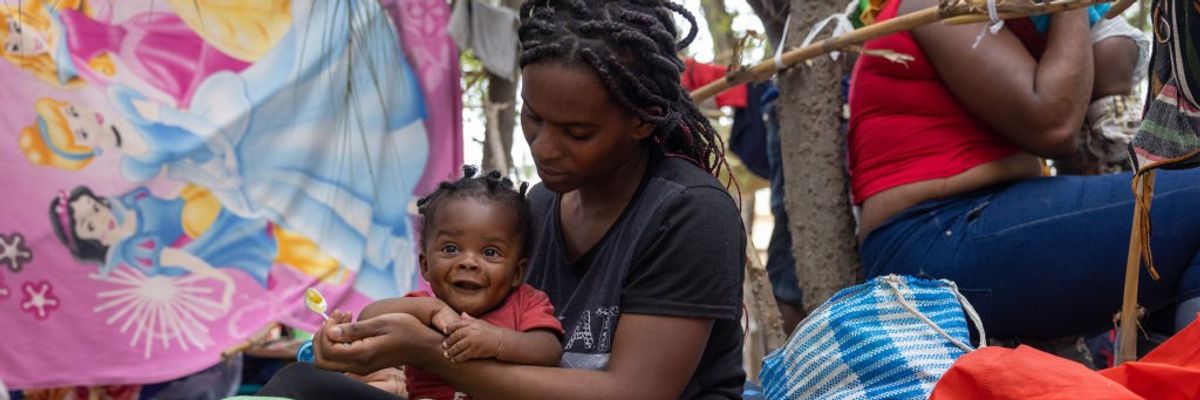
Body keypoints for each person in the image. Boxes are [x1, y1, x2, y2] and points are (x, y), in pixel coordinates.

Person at [257, 0, 747, 398]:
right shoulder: (535, 210)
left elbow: (635, 392)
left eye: (577, 132)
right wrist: (383, 359)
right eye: (533, 117)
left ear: (643, 120)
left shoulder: (687, 213)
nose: (544, 147)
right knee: (307, 384)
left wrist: (433, 356)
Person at [849, 0, 1200, 341]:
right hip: (932, 237)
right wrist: (1071, 4)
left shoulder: (1007, 25)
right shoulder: (930, 6)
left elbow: (1075, 152)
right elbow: (1054, 126)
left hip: (969, 226)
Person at [354, 166, 564, 399]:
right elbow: (367, 318)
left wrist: (497, 341)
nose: (469, 262)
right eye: (451, 248)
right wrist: (432, 310)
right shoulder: (422, 310)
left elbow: (549, 349)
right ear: (425, 265)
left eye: (491, 252)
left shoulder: (527, 303)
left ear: (517, 272)